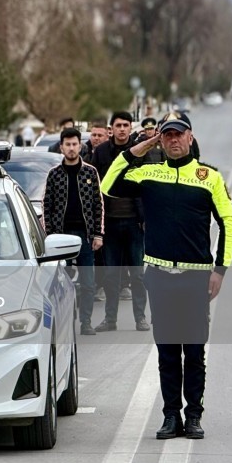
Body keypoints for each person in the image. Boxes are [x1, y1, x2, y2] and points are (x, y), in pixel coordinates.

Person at [101, 112, 232, 440]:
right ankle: (170, 416)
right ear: (160, 140)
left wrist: (220, 270)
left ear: (190, 137)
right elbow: (108, 185)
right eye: (167, 135)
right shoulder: (148, 173)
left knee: (193, 350)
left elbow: (229, 223)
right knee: (166, 351)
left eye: (179, 134)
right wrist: (138, 148)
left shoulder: (210, 177)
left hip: (196, 278)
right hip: (159, 276)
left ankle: (193, 416)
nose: (174, 140)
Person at [90, 111, 149, 332]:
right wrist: (97, 223)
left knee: (138, 274)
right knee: (111, 275)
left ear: (131, 127)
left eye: (126, 125)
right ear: (111, 129)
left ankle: (140, 318)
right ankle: (110, 319)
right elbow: (95, 186)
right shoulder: (102, 152)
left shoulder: (139, 151)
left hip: (135, 222)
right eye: (118, 125)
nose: (122, 129)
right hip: (110, 224)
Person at [42, 128, 103, 335]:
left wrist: (98, 235)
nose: (71, 148)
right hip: (60, 237)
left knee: (88, 283)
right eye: (67, 144)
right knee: (60, 283)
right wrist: (49, 236)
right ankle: (64, 323)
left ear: (80, 146)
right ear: (61, 147)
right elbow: (47, 206)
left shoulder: (90, 172)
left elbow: (98, 205)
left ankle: (86, 322)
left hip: (85, 236)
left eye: (74, 144)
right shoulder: (54, 174)